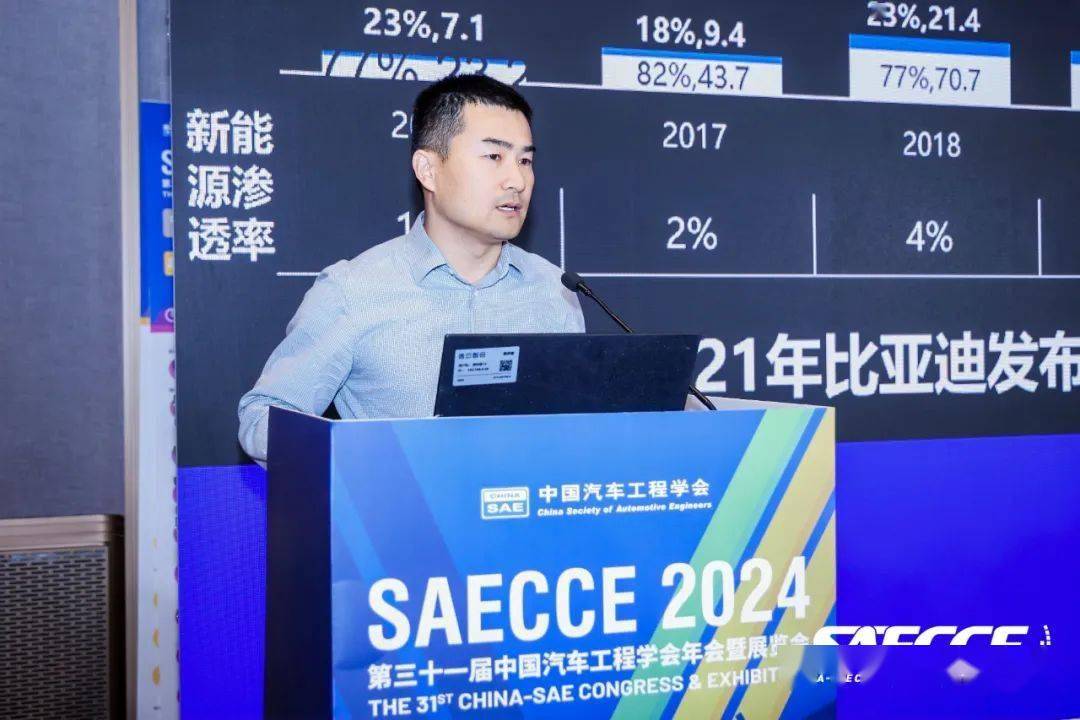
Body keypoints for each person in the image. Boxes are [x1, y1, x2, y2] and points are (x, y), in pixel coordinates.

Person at [237, 74, 585, 464]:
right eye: (494, 157)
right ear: (428, 169)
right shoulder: (354, 290)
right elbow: (261, 420)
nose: (517, 180)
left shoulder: (553, 290)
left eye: (525, 160)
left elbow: (577, 435)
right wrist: (365, 454)